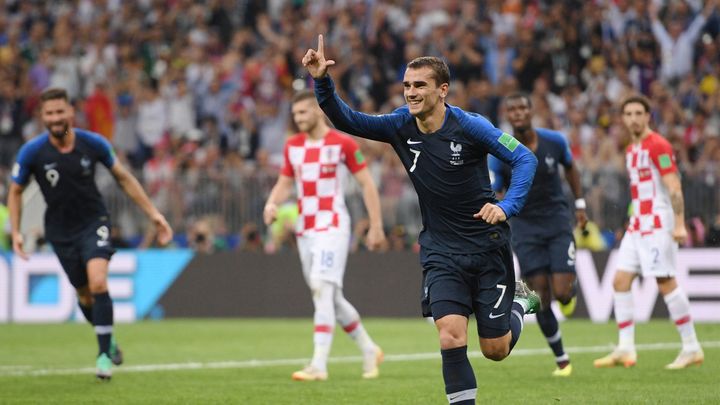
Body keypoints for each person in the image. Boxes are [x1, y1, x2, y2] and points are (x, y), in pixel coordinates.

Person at [302, 35, 540, 404]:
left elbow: (525, 158)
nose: (410, 93)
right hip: (441, 251)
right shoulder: (400, 125)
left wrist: (506, 206)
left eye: (420, 86)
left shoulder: (470, 126)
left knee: (495, 349)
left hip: (487, 246)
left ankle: (520, 305)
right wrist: (322, 81)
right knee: (450, 334)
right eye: (407, 86)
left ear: (443, 90)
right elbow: (348, 119)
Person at [7, 87, 173, 380]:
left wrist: (154, 215)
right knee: (84, 295)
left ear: (71, 112)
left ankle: (102, 357)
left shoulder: (93, 143)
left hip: (93, 222)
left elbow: (123, 177)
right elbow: (16, 191)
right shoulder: (32, 152)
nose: (56, 118)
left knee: (98, 283)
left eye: (60, 111)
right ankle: (109, 341)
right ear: (42, 117)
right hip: (59, 231)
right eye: (50, 113)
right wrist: (16, 230)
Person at [263, 89, 387, 381]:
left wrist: (376, 224)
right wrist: (272, 203)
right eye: (295, 114)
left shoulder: (342, 143)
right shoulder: (293, 145)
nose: (299, 118)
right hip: (305, 229)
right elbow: (284, 182)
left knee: (321, 288)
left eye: (304, 112)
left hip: (332, 225)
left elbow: (367, 184)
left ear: (318, 111)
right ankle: (369, 349)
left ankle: (318, 365)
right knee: (330, 298)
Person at [594, 95, 703, 370]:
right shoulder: (632, 148)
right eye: (628, 113)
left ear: (648, 116)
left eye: (638, 113)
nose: (633, 118)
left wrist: (679, 223)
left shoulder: (658, 145)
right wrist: (628, 223)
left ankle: (691, 347)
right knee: (620, 280)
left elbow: (674, 185)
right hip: (638, 224)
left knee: (665, 282)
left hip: (658, 224)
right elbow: (640, 192)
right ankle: (625, 349)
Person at [489, 93, 588, 377]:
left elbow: (571, 168)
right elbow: (496, 189)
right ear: (508, 115)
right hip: (525, 228)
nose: (518, 112)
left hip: (557, 222)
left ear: (532, 111)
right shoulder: (501, 151)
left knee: (562, 291)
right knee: (540, 296)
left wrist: (580, 205)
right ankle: (562, 359)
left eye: (522, 107)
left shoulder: (554, 141)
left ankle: (570, 293)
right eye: (512, 109)